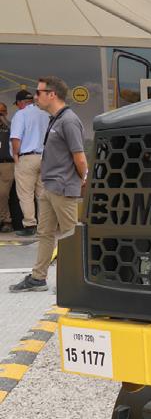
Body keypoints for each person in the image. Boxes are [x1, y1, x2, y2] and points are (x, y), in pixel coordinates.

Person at [10, 77, 88, 293]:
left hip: (63, 187)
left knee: (71, 235)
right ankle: (38, 278)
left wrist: (83, 180)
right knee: (45, 234)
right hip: (49, 186)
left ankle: (77, 281)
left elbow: (80, 157)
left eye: (39, 92)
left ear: (52, 94)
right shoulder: (55, 119)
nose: (35, 97)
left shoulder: (68, 121)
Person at [10, 88, 49, 236]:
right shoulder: (45, 113)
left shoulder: (21, 114)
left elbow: (16, 137)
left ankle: (30, 225)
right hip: (45, 157)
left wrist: (15, 155)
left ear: (20, 103)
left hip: (27, 157)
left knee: (26, 194)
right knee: (42, 194)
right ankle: (44, 226)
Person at [0, 102, 14, 232]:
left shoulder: (11, 125)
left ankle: (6, 221)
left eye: (2, 112)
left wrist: (3, 120)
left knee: (3, 193)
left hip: (7, 164)